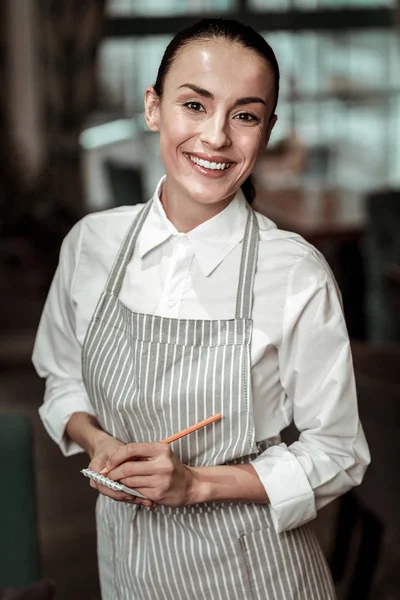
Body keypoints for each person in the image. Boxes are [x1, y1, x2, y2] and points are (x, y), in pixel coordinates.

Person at [32, 17, 370, 600]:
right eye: (195, 105)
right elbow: (62, 379)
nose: (216, 137)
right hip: (127, 567)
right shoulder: (91, 243)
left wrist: (195, 485)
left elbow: (339, 453)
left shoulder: (295, 272)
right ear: (153, 107)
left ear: (267, 131)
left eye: (244, 115)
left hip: (256, 573)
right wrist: (99, 443)